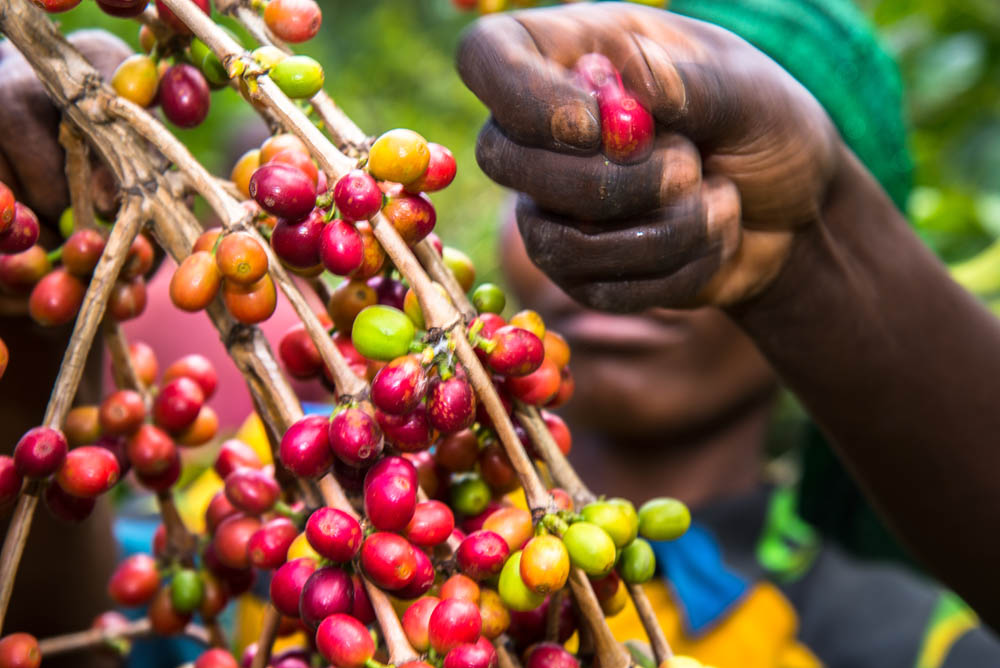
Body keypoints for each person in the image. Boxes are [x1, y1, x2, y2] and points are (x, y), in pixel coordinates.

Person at [456, 0, 1000, 641]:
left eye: (697, 183)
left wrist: (806, 249)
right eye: (567, 182)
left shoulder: (909, 642)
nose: (626, 235)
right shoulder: (340, 498)